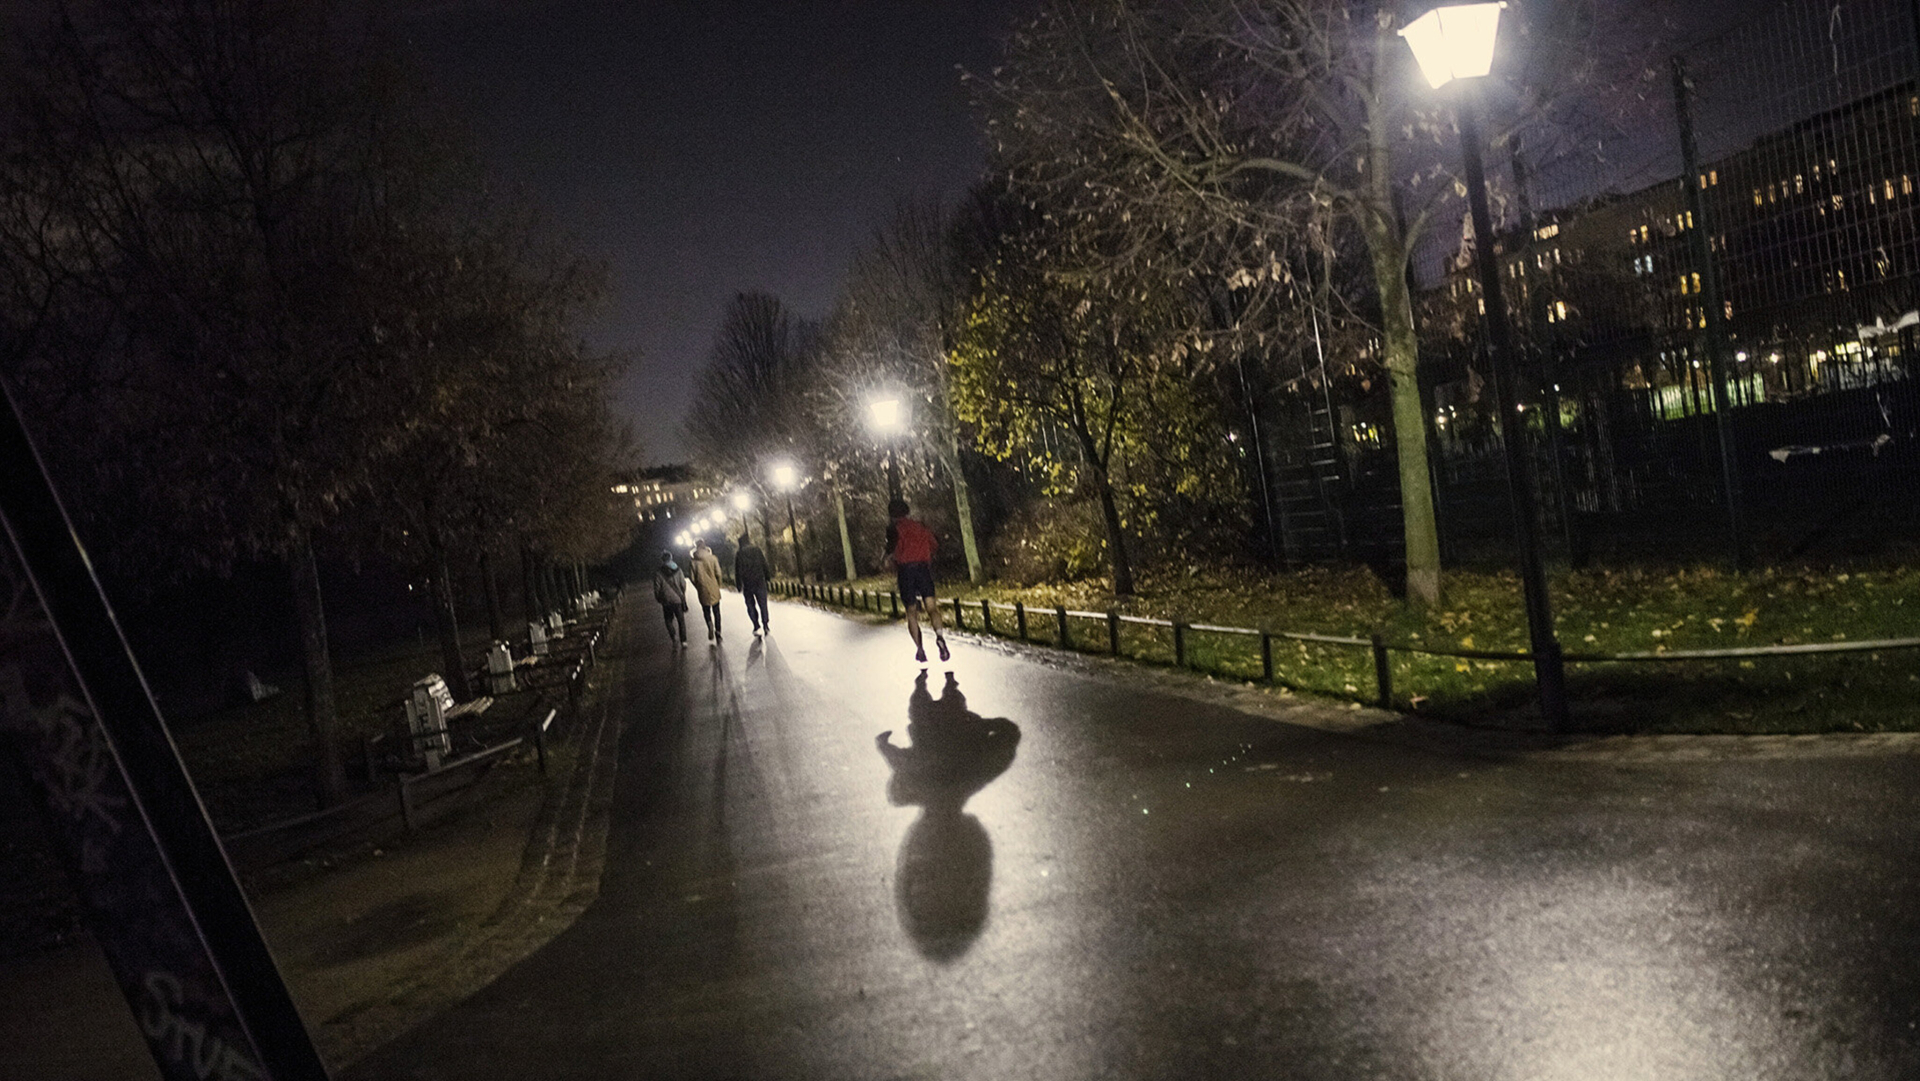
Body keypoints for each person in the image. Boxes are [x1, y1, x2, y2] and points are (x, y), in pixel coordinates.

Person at [885, 498, 948, 664]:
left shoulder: (894, 530)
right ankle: (940, 637)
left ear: (892, 515)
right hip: (923, 569)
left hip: (906, 571)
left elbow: (890, 552)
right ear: (907, 511)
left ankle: (920, 649)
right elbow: (934, 545)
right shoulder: (920, 526)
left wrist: (890, 559)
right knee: (932, 607)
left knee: (911, 612)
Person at [734, 531, 771, 636]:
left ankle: (756, 625)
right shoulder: (757, 550)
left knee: (750, 605)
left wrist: (738, 584)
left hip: (747, 584)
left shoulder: (739, 554)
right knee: (763, 604)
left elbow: (737, 570)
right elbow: (764, 563)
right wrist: (768, 576)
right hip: (760, 581)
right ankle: (765, 624)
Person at [651, 550, 689, 647]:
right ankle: (683, 641)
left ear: (662, 560)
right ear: (671, 558)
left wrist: (659, 598)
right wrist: (682, 593)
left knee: (668, 620)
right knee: (681, 620)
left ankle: (673, 637)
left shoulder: (659, 573)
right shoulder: (678, 570)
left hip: (666, 601)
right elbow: (683, 584)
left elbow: (657, 588)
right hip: (677, 599)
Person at [690, 537, 724, 643]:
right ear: (704, 545)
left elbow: (692, 578)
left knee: (706, 610)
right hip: (713, 588)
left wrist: (698, 586)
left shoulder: (693, 562)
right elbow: (718, 573)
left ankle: (709, 624)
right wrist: (718, 585)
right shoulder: (713, 558)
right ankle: (718, 632)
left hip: (702, 589)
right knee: (716, 611)